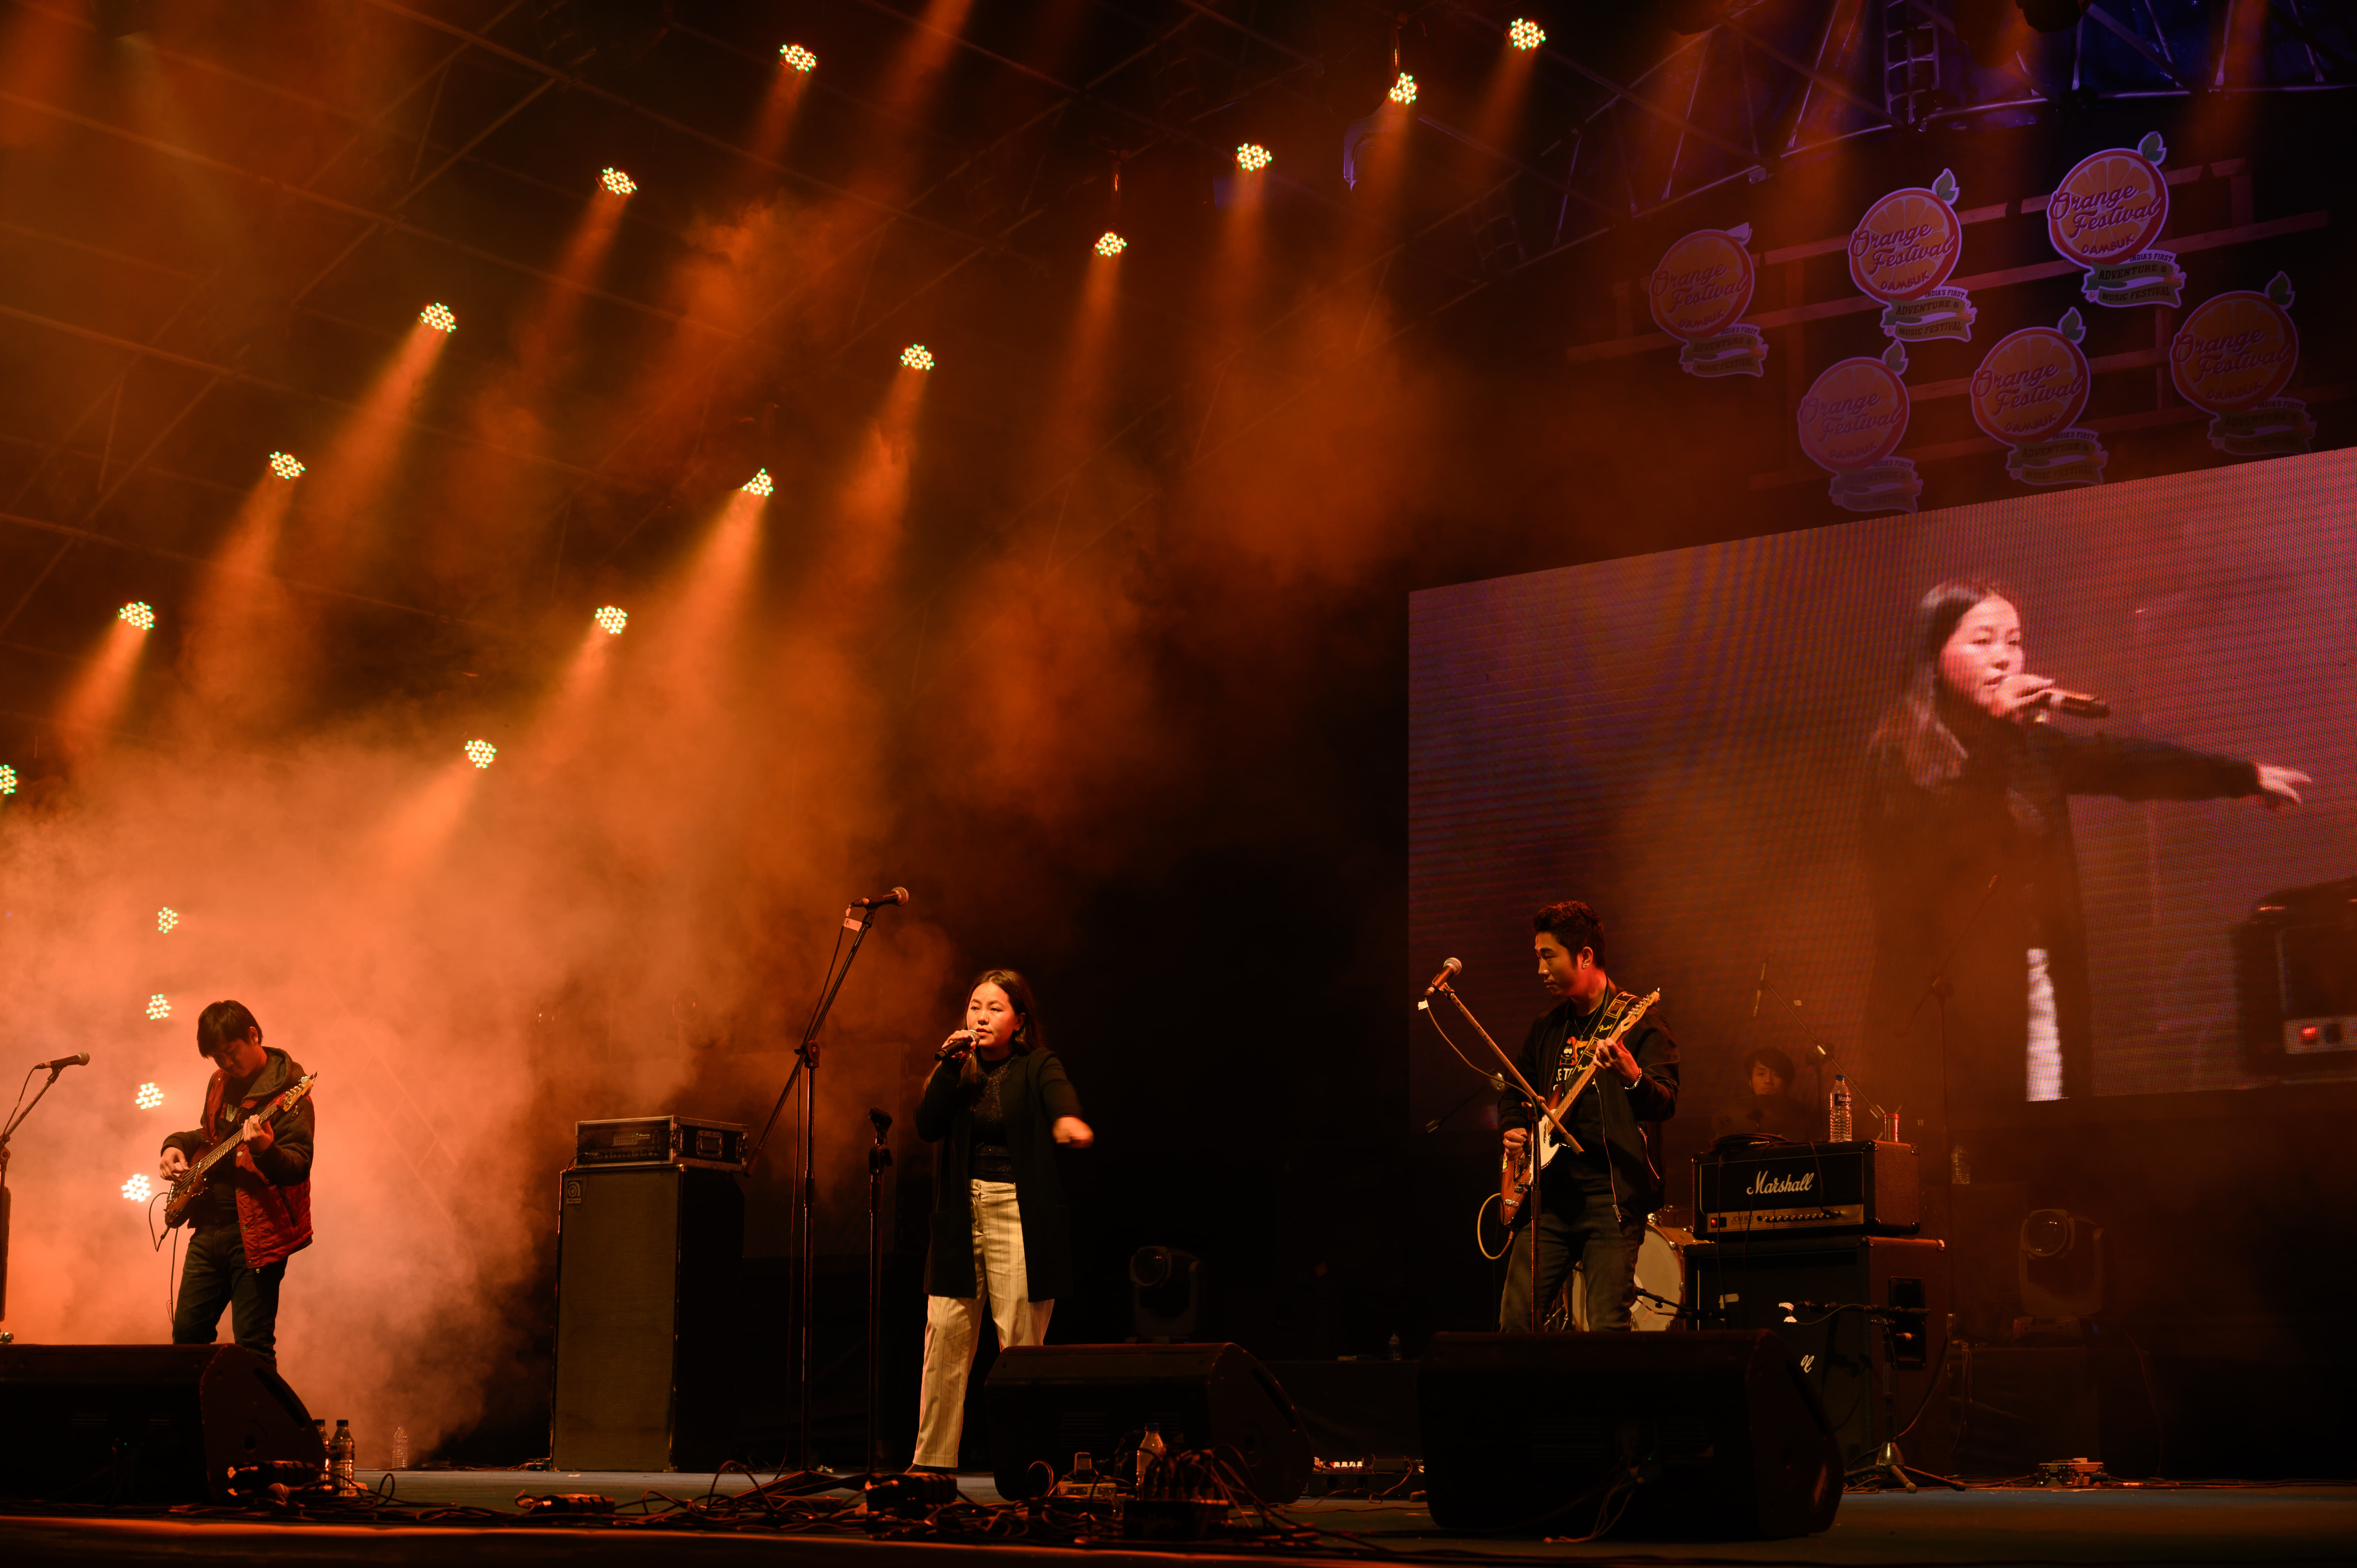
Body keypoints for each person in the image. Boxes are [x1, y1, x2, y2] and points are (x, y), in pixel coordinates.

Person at [1860, 579, 2309, 1161]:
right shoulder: (1899, 753)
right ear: (1934, 656)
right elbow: (1940, 856)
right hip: (1947, 1009)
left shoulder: (2028, 746)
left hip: (2034, 985)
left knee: (2044, 1153)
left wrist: (2240, 776)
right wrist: (1995, 734)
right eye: (1982, 640)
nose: (2004, 657)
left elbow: (2124, 764)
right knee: (1966, 1163)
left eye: (2014, 641)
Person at [911, 969, 1094, 1471]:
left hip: (1018, 1214)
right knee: (943, 1340)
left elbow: (1057, 1090)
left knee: (1019, 1347)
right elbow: (927, 1124)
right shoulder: (959, 1068)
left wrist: (1067, 1116)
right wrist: (947, 1065)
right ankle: (931, 1465)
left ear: (1019, 1020)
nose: (982, 1016)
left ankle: (1028, 1466)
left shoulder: (1036, 1064)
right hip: (961, 1216)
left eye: (995, 1008)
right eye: (975, 1006)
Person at [1498, 901, 1679, 1332]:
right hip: (1548, 1203)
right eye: (1537, 957)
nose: (1540, 969)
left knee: (1606, 1330)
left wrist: (1633, 1078)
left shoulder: (1640, 1022)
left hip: (1610, 1201)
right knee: (1514, 1325)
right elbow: (1514, 1090)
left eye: (1548, 956)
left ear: (1585, 956)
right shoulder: (1547, 1026)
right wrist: (1514, 1125)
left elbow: (1666, 1102)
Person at [155, 1001, 315, 1360]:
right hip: (207, 1229)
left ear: (253, 1035)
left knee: (253, 1345)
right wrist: (174, 1145)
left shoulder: (290, 1092)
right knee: (186, 1340)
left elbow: (298, 1166)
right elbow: (211, 1137)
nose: (227, 1063)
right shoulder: (219, 1082)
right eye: (218, 1057)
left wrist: (265, 1150)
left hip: (256, 1234)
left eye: (231, 1051)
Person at [1710, 1045, 1815, 1143]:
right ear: (1751, 1081)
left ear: (1787, 1083)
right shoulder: (1732, 1118)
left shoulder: (1800, 1119)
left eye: (1776, 1075)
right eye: (1761, 1074)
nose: (1768, 1081)